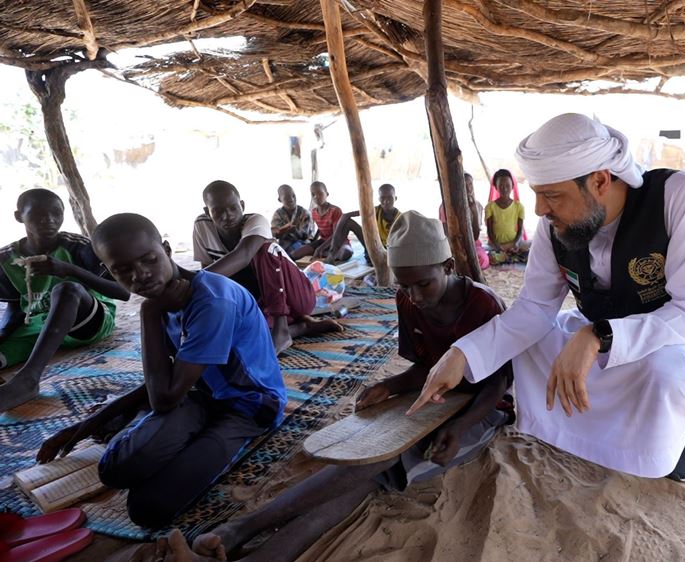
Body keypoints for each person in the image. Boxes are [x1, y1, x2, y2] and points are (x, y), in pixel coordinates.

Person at [409, 113, 685, 482]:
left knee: (668, 371)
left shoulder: (681, 196)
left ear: (600, 181)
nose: (541, 210)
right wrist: (462, 354)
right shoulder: (554, 225)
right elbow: (534, 308)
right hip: (611, 335)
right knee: (530, 344)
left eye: (552, 195)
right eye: (538, 195)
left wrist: (598, 336)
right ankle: (612, 427)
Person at [150, 211, 512, 561]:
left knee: (376, 469)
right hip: (432, 397)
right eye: (404, 285)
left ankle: (240, 530)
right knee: (367, 458)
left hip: (482, 409)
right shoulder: (407, 299)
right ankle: (237, 534)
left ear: (448, 267)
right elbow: (424, 367)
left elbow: (497, 384)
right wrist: (389, 385)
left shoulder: (483, 305)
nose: (414, 295)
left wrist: (459, 426)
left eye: (423, 284)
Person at [36, 213, 287, 528]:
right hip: (200, 396)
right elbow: (163, 383)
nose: (140, 275)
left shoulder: (211, 303)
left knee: (148, 508)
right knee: (114, 469)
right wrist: (87, 424)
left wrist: (148, 312)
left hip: (249, 408)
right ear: (108, 272)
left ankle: (160, 431)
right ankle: (147, 428)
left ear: (166, 250)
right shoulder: (166, 298)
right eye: (123, 270)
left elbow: (164, 398)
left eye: (149, 260)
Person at [0, 189, 129, 411]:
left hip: (87, 322)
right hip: (39, 327)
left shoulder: (77, 245)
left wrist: (69, 270)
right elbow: (15, 305)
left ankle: (28, 379)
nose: (49, 220)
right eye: (39, 213)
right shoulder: (6, 259)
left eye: (56, 213)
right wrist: (3, 334)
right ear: (19, 216)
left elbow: (123, 292)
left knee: (67, 290)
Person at [193, 180, 341, 353]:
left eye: (233, 208)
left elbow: (243, 256)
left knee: (263, 248)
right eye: (218, 211)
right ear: (207, 211)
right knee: (237, 331)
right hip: (264, 300)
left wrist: (192, 279)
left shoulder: (256, 221)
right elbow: (209, 272)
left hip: (297, 295)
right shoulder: (201, 226)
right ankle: (300, 327)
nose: (228, 216)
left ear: (242, 205)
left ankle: (281, 327)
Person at [308, 181, 370, 265]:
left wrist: (321, 248)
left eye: (320, 193)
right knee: (298, 252)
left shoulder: (335, 210)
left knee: (345, 252)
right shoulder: (314, 212)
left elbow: (336, 234)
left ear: (327, 194)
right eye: (313, 194)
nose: (316, 197)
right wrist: (314, 241)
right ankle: (328, 254)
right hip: (324, 241)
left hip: (339, 241)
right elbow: (321, 228)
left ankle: (330, 254)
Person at [439, 172, 489, 270]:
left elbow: (475, 236)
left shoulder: (477, 206)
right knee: (452, 260)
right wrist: (458, 247)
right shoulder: (446, 207)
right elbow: (445, 233)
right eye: (464, 185)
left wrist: (474, 211)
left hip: (472, 244)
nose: (468, 188)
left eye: (470, 184)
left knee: (482, 260)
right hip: (452, 245)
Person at [484, 169, 530, 264]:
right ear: (496, 187)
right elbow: (489, 231)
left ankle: (506, 256)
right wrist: (499, 246)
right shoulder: (490, 207)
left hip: (514, 243)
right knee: (488, 256)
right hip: (495, 245)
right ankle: (510, 257)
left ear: (512, 186)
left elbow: (520, 230)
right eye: (501, 185)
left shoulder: (519, 206)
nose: (504, 188)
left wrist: (513, 244)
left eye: (507, 185)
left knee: (532, 247)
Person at [270, 184, 315, 259]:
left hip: (302, 245)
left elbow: (306, 236)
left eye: (293, 196)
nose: (291, 199)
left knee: (298, 247)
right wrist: (282, 231)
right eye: (286, 198)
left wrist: (295, 231)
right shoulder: (277, 214)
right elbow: (274, 234)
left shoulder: (304, 213)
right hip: (284, 245)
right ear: (280, 200)